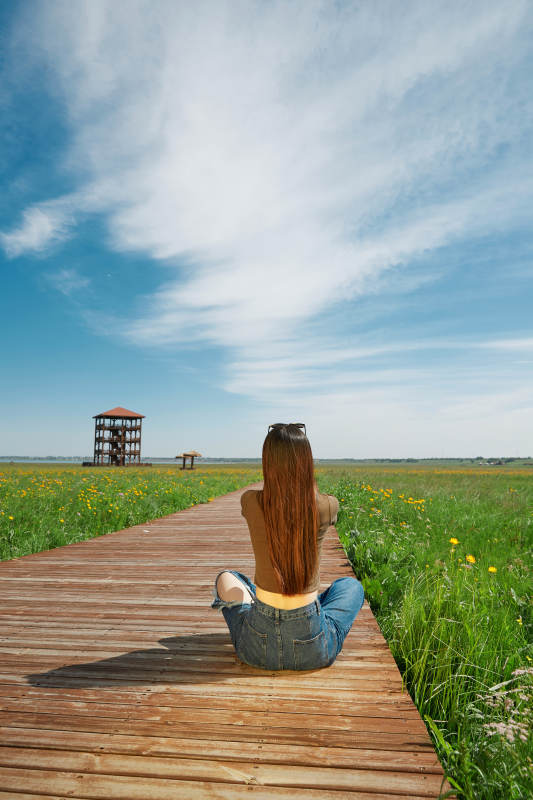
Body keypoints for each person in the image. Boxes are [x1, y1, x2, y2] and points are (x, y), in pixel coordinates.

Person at [211, 422, 364, 670]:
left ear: (267, 463)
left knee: (227, 577)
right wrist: (304, 485)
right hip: (313, 648)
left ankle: (253, 599)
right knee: (350, 586)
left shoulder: (250, 501)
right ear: (307, 463)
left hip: (255, 649)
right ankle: (313, 611)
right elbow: (311, 499)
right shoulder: (327, 506)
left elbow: (269, 499)